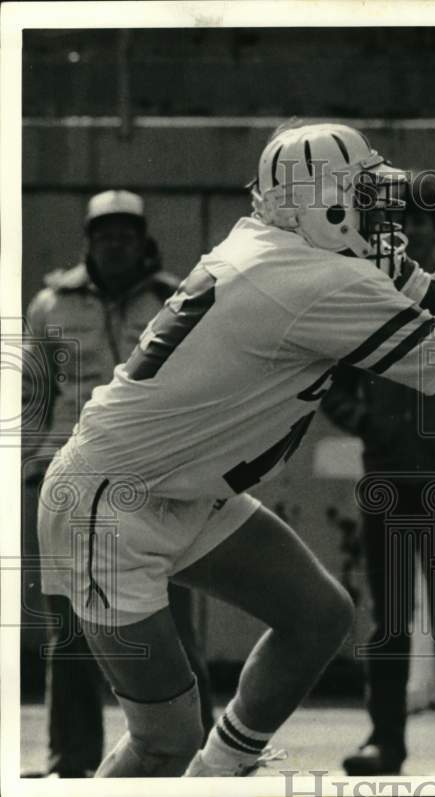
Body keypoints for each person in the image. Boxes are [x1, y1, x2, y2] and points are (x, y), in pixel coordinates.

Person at [34, 120, 435, 777]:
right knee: (163, 738)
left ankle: (216, 776)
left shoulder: (275, 243)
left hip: (177, 486)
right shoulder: (312, 280)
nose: (386, 216)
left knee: (318, 617)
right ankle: (197, 772)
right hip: (113, 505)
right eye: (367, 196)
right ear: (319, 198)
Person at [20, 191, 214, 777]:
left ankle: (205, 758)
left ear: (142, 237)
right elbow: (32, 398)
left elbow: (195, 391)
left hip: (150, 482)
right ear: (88, 238)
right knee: (70, 630)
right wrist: (28, 467)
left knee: (171, 624)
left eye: (126, 230)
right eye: (104, 230)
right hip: (64, 482)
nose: (115, 240)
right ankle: (73, 761)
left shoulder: (174, 299)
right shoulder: (51, 305)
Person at [322, 175, 435, 776]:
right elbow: (333, 380)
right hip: (387, 478)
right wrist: (368, 423)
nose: (413, 231)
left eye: (423, 222)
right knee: (389, 619)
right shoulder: (365, 292)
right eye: (403, 222)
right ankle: (384, 740)